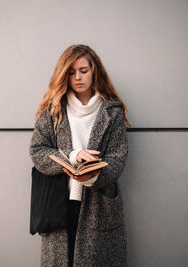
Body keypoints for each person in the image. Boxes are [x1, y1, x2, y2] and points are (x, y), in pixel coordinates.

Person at [29, 44, 131, 267]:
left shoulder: (111, 112)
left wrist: (93, 175)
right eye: (71, 72)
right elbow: (37, 150)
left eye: (83, 71)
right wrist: (73, 157)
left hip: (99, 205)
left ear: (94, 71)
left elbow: (118, 157)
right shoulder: (53, 109)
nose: (78, 77)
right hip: (59, 202)